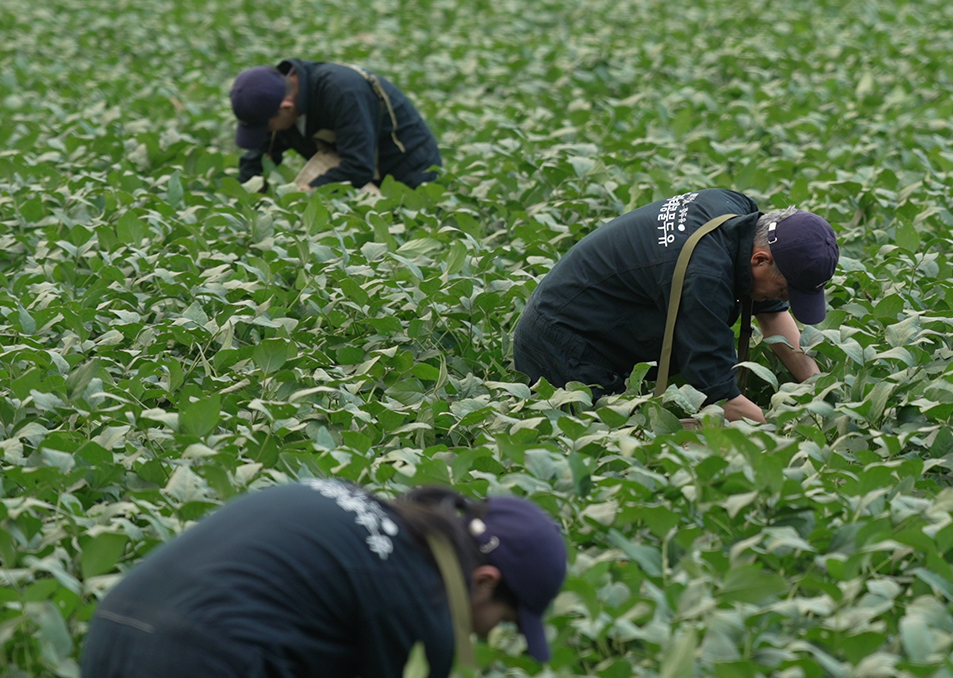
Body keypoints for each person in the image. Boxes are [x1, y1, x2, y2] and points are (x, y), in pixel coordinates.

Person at [81, 479, 567, 678]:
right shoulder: (423, 603)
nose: (485, 634)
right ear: (483, 581)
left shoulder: (356, 504)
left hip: (111, 635)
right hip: (201, 662)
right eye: (503, 619)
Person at [513, 188, 839, 423]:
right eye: (784, 290)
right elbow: (719, 395)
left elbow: (771, 313)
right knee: (630, 439)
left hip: (580, 311)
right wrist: (782, 434)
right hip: (560, 347)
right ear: (760, 259)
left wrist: (817, 388)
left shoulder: (738, 213)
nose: (784, 301)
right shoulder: (706, 279)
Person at [230, 59, 441, 191]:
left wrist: (309, 189)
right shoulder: (274, 98)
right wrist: (247, 196)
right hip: (361, 169)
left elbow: (358, 168)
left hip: (408, 173)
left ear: (286, 108)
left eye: (266, 127)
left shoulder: (342, 92)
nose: (267, 133)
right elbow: (258, 157)